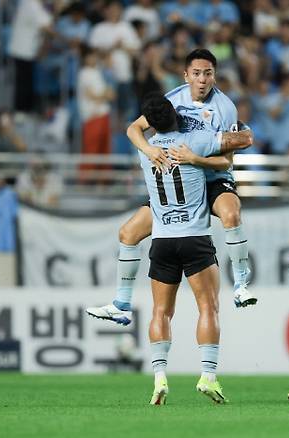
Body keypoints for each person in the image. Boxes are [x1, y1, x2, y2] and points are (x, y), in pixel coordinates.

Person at [87, 49, 256, 326]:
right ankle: (121, 304)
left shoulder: (225, 108)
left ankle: (241, 285)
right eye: (197, 73)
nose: (202, 80)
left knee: (231, 214)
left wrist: (196, 159)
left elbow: (227, 159)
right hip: (177, 183)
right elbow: (134, 129)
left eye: (208, 73)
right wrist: (150, 151)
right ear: (186, 75)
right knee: (128, 233)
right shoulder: (172, 99)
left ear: (215, 76)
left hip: (211, 177)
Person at [137, 93, 253, 405]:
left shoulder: (144, 152)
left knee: (161, 311)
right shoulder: (196, 141)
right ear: (175, 114)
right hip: (195, 237)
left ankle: (160, 378)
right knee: (208, 307)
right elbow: (228, 156)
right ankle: (208, 377)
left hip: (161, 240)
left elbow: (136, 132)